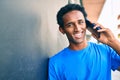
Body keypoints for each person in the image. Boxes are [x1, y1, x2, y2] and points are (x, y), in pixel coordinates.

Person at [48, 4, 120, 80]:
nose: (77, 29)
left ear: (86, 24)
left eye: (80, 22)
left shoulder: (105, 50)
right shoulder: (55, 62)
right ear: (62, 30)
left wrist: (112, 41)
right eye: (70, 25)